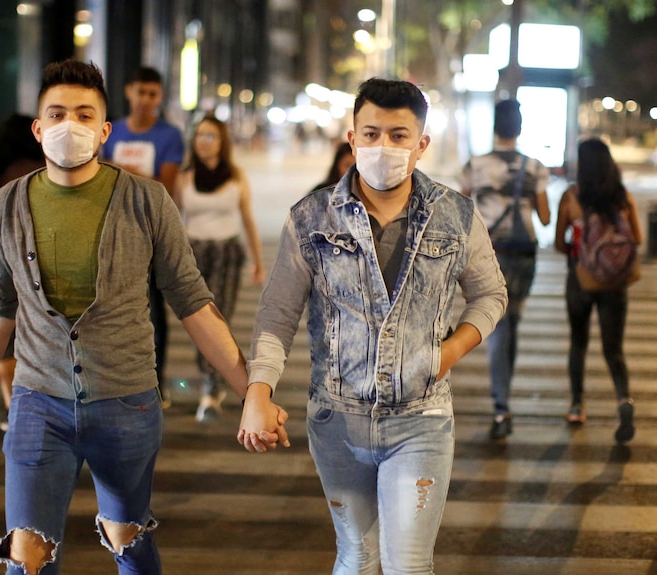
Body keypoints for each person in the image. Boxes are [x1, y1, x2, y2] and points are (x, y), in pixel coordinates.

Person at [0, 59, 286, 575]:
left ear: (104, 130)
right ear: (38, 129)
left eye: (85, 115)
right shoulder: (9, 204)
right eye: (58, 114)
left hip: (127, 406)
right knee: (26, 555)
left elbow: (193, 302)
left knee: (126, 538)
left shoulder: (146, 200)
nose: (71, 125)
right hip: (38, 404)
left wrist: (252, 393)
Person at [240, 77, 507, 573]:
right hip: (336, 420)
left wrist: (448, 353)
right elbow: (277, 311)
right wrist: (259, 391)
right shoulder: (311, 218)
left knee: (407, 564)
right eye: (371, 133)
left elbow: (491, 294)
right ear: (352, 139)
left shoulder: (455, 215)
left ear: (421, 144)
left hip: (420, 420)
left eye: (398, 135)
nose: (383, 146)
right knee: (357, 556)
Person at [458, 99, 551, 440]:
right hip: (524, 255)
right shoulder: (536, 167)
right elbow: (544, 218)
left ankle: (502, 406)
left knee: (499, 327)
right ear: (520, 127)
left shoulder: (475, 165)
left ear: (495, 127)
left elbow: (461, 209)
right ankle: (503, 402)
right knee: (511, 324)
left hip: (488, 254)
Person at [101, 66, 185, 407]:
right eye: (141, 92)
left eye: (153, 94)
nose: (146, 100)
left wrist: (123, 173)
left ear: (159, 97)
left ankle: (156, 380)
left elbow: (165, 186)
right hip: (110, 229)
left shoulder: (170, 136)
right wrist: (136, 175)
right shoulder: (114, 130)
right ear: (128, 92)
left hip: (150, 232)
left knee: (152, 309)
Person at [175, 114, 265, 423]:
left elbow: (248, 218)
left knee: (218, 318)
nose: (204, 141)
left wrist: (257, 261)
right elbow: (175, 220)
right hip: (194, 253)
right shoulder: (184, 176)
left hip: (227, 253)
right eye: (199, 135)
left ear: (222, 141)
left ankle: (211, 388)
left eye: (211, 135)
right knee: (198, 323)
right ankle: (210, 380)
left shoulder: (236, 175)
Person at [554, 138, 642, 443]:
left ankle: (577, 405)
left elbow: (558, 243)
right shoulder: (622, 197)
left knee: (578, 343)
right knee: (613, 349)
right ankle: (623, 400)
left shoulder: (571, 197)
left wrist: (580, 252)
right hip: (614, 284)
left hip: (580, 279)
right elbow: (638, 239)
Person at [0, 113, 45, 429]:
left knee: (5, 339)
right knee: (34, 341)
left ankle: (11, 405)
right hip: (36, 268)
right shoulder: (41, 172)